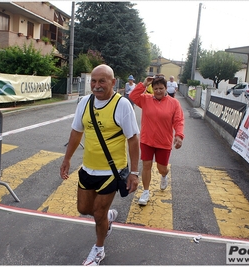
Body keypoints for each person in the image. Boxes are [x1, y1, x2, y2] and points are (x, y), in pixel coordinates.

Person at [60, 64, 140, 265]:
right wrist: (67, 158)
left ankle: (99, 249)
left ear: (113, 82)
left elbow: (133, 140)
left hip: (112, 172)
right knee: (84, 209)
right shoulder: (84, 102)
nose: (96, 86)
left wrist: (134, 172)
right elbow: (76, 132)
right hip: (87, 168)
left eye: (102, 81)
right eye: (93, 81)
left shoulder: (122, 105)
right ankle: (107, 218)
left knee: (97, 213)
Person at [129, 74, 184, 206]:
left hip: (164, 141)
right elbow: (133, 96)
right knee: (146, 166)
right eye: (156, 88)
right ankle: (146, 192)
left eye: (161, 88)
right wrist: (144, 84)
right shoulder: (146, 99)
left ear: (166, 88)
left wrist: (179, 135)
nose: (158, 91)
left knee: (161, 168)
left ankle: (164, 175)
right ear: (152, 89)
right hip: (147, 140)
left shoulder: (174, 103)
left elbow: (179, 121)